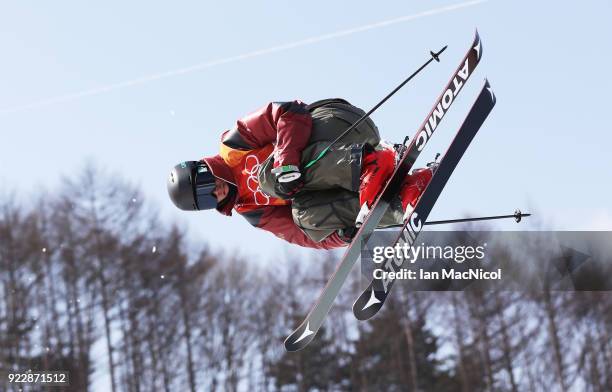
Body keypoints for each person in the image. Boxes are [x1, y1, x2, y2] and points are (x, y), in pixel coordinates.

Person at [167, 99, 435, 249]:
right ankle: (404, 197)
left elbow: (287, 111)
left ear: (202, 169)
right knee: (305, 217)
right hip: (346, 171)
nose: (214, 192)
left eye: (204, 185)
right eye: (206, 200)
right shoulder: (251, 210)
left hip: (339, 124)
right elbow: (303, 235)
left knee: (270, 179)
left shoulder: (234, 146)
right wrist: (340, 235)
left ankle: (369, 163)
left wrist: (286, 161)